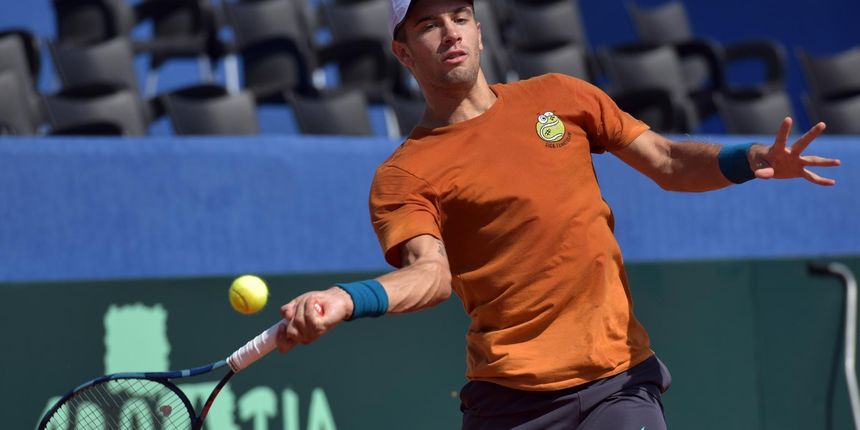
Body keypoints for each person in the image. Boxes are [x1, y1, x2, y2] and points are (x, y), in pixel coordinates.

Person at [275, 0, 841, 428]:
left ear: (479, 31)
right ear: (403, 53)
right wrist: (347, 299)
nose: (450, 32)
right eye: (428, 24)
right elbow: (430, 275)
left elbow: (667, 161)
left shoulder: (560, 96)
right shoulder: (404, 175)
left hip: (618, 382)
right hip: (508, 403)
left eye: (460, 17)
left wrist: (752, 158)